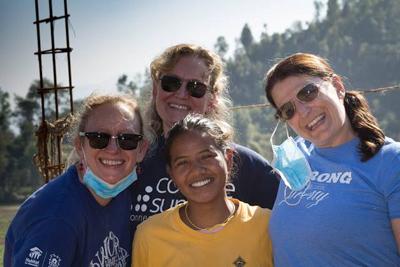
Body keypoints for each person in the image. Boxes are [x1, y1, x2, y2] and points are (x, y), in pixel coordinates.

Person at [264, 52, 400, 266]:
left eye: (308, 92)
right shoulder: (294, 157)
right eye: (288, 110)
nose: (303, 111)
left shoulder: (391, 161)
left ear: (337, 86)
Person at [130, 43, 279, 229]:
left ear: (212, 99)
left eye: (196, 88)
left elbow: (284, 233)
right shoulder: (133, 162)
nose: (181, 94)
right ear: (155, 89)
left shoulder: (250, 168)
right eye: (170, 83)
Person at [4, 94, 148, 267]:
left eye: (128, 139)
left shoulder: (121, 195)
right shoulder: (55, 219)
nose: (113, 149)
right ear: (80, 145)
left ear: (141, 150)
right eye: (99, 138)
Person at [132, 114, 273, 266]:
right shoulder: (149, 235)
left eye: (206, 156)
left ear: (228, 159)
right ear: (171, 173)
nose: (197, 170)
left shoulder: (267, 225)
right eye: (183, 163)